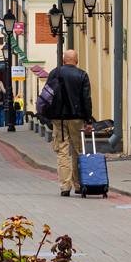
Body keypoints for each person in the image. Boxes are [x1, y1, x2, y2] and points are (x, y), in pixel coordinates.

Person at [45, 49, 94, 197]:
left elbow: (48, 95)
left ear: (64, 60)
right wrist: (89, 120)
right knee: (78, 151)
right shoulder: (82, 75)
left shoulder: (54, 73)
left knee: (62, 152)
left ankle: (65, 187)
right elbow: (86, 99)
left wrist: (49, 115)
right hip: (76, 119)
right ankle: (79, 185)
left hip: (59, 119)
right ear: (76, 60)